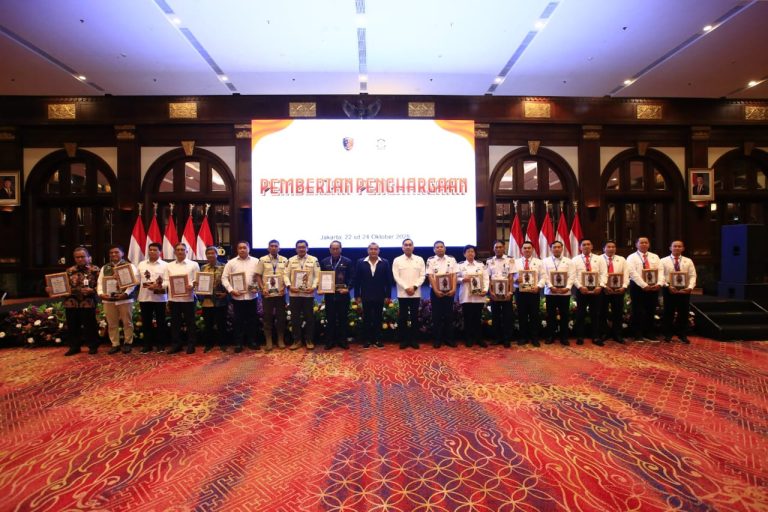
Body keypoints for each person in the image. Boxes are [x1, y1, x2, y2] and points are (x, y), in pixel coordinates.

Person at [51, 246, 100, 356]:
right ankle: (74, 347)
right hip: (71, 303)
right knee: (72, 326)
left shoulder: (95, 270)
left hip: (88, 302)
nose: (80, 259)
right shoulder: (69, 271)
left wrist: (92, 290)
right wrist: (54, 290)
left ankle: (93, 346)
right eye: (77, 257)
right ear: (74, 258)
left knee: (90, 326)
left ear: (88, 257)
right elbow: (63, 286)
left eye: (82, 256)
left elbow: (101, 286)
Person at [97, 245, 137, 354]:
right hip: (108, 299)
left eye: (116, 252)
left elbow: (133, 282)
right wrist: (101, 294)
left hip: (125, 299)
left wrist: (126, 293)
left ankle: (128, 342)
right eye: (111, 253)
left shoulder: (129, 266)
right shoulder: (105, 268)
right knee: (112, 323)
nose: (113, 254)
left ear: (122, 253)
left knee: (127, 322)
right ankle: (115, 344)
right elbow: (100, 282)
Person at [222, 241, 259, 352]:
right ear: (237, 250)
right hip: (237, 297)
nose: (242, 250)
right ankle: (238, 343)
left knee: (252, 320)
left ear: (249, 249)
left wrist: (257, 287)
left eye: (244, 247)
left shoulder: (256, 261)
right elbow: (224, 278)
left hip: (252, 296)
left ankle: (252, 341)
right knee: (238, 321)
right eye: (240, 248)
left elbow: (260, 277)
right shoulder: (231, 263)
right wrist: (231, 290)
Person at [353, 242, 393, 349]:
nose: (373, 251)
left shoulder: (385, 262)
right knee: (367, 318)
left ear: (379, 251)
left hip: (380, 295)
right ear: (368, 250)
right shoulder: (360, 262)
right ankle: (367, 340)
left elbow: (388, 281)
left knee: (378, 318)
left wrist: (388, 295)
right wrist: (357, 295)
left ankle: (378, 339)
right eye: (371, 249)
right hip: (365, 295)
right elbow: (357, 281)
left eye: (375, 249)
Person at [163, 243, 199, 354]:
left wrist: (191, 285)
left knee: (190, 322)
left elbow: (196, 280)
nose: (180, 251)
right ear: (174, 252)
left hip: (188, 298)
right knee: (175, 323)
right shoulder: (168, 266)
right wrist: (161, 286)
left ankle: (191, 345)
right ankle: (176, 345)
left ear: (187, 251)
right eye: (178, 249)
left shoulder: (193, 264)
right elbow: (166, 280)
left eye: (182, 249)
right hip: (173, 299)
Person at [626, 236, 664, 343]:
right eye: (641, 242)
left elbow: (661, 271)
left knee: (651, 310)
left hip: (653, 287)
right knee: (637, 311)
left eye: (646, 242)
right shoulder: (631, 257)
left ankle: (649, 333)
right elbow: (632, 273)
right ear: (636, 245)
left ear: (649, 244)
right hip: (637, 287)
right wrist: (644, 285)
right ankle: (637, 334)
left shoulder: (655, 257)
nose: (644, 244)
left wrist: (659, 283)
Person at [285, 240, 320, 350]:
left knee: (309, 317)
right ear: (296, 249)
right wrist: (289, 286)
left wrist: (313, 287)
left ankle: (309, 340)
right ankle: (297, 340)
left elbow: (317, 276)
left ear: (307, 248)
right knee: (295, 318)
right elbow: (285, 275)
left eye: (303, 247)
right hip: (294, 294)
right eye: (299, 247)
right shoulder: (290, 260)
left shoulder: (314, 260)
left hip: (308, 294)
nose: (301, 249)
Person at [571, 239, 606, 346]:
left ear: (592, 246)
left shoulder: (599, 259)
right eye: (584, 244)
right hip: (582, 291)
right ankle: (580, 336)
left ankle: (595, 336)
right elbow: (573, 276)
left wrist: (600, 286)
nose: (586, 246)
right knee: (580, 314)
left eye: (588, 244)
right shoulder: (575, 260)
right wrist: (580, 287)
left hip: (596, 291)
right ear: (580, 247)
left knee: (595, 314)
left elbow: (604, 274)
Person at [392, 238, 425, 349]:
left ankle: (414, 340)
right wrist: (406, 287)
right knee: (403, 317)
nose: (408, 246)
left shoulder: (419, 259)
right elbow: (396, 276)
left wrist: (414, 287)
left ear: (413, 247)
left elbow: (422, 276)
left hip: (415, 293)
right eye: (405, 245)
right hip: (403, 293)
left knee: (415, 317)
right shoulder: (397, 260)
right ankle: (404, 340)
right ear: (402, 247)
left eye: (410, 245)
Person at [319, 240, 353, 350]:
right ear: (330, 250)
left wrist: (348, 288)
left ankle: (343, 341)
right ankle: (330, 341)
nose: (335, 250)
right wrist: (321, 288)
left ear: (341, 249)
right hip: (329, 296)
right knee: (330, 319)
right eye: (333, 248)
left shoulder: (347, 261)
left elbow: (352, 278)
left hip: (343, 295)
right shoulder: (324, 262)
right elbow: (321, 277)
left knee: (343, 318)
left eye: (337, 248)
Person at [661, 240, 697, 344]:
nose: (677, 248)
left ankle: (682, 334)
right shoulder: (663, 261)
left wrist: (690, 287)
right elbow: (660, 276)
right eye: (675, 246)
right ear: (670, 248)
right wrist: (667, 286)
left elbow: (693, 275)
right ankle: (668, 334)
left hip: (684, 290)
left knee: (683, 313)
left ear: (683, 248)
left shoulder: (688, 261)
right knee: (668, 312)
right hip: (669, 289)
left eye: (679, 246)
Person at [255, 240, 289, 350]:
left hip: (280, 293)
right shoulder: (262, 260)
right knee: (267, 317)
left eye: (276, 246)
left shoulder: (285, 260)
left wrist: (284, 287)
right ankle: (268, 341)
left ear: (279, 248)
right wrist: (262, 288)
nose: (274, 248)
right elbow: (258, 276)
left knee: (281, 317)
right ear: (268, 248)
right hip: (267, 294)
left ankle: (280, 339)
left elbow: (287, 276)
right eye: (272, 246)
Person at [137, 242, 169, 353]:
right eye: (150, 250)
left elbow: (168, 281)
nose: (152, 252)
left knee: (161, 322)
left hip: (160, 298)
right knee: (146, 322)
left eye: (155, 250)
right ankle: (147, 345)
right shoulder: (141, 264)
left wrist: (159, 286)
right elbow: (137, 280)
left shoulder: (165, 265)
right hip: (144, 297)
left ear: (160, 252)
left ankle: (161, 344)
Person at [427, 241, 458, 348]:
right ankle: (437, 340)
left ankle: (449, 339)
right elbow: (430, 276)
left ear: (445, 248)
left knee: (449, 315)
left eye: (441, 247)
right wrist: (436, 290)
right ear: (434, 249)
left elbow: (454, 275)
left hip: (450, 291)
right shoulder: (431, 260)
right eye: (437, 247)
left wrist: (454, 288)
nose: (439, 248)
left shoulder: (451, 259)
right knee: (437, 316)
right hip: (436, 292)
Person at [541, 240, 573, 346]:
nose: (557, 249)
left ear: (562, 248)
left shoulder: (569, 261)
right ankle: (550, 336)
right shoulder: (545, 261)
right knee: (551, 315)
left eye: (559, 247)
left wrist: (567, 287)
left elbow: (572, 275)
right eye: (554, 247)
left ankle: (564, 337)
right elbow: (544, 275)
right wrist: (551, 286)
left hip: (565, 293)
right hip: (550, 292)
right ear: (551, 249)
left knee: (564, 315)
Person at [457, 245, 489, 347]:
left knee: (477, 318)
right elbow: (454, 278)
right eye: (468, 251)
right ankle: (468, 339)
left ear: (475, 253)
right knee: (468, 318)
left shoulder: (480, 265)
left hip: (478, 296)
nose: (470, 253)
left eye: (472, 251)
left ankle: (479, 339)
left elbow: (486, 278)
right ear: (464, 254)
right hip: (466, 296)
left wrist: (485, 290)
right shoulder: (460, 265)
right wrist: (462, 279)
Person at [485, 240, 515, 348]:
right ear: (493, 249)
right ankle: (497, 338)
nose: (498, 249)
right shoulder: (489, 261)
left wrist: (510, 292)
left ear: (504, 248)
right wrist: (491, 291)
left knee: (507, 316)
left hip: (507, 293)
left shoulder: (510, 260)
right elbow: (488, 278)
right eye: (496, 247)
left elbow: (511, 277)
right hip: (494, 293)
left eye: (500, 247)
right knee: (495, 316)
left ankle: (507, 339)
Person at [514, 241, 544, 347]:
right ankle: (523, 337)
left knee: (534, 315)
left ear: (532, 249)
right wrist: (516, 280)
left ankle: (534, 338)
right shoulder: (515, 262)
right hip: (520, 292)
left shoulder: (539, 262)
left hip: (534, 292)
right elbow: (511, 277)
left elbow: (543, 277)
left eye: (529, 248)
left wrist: (538, 287)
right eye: (525, 248)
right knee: (522, 315)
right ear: (521, 250)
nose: (527, 250)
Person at [200, 246, 228, 352]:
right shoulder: (203, 268)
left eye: (213, 253)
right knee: (208, 324)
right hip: (207, 300)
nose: (211, 255)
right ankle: (209, 344)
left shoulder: (224, 266)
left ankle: (223, 343)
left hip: (220, 299)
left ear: (217, 254)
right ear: (206, 255)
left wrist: (226, 293)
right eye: (208, 253)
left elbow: (228, 281)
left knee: (221, 323)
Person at [600, 240, 628, 344]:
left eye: (613, 247)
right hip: (603, 290)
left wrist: (624, 287)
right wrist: (604, 286)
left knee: (618, 312)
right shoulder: (598, 259)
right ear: (604, 248)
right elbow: (597, 274)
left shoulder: (622, 259)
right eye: (608, 247)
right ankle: (604, 333)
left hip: (618, 290)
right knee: (602, 312)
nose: (611, 249)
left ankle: (617, 334)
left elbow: (626, 274)